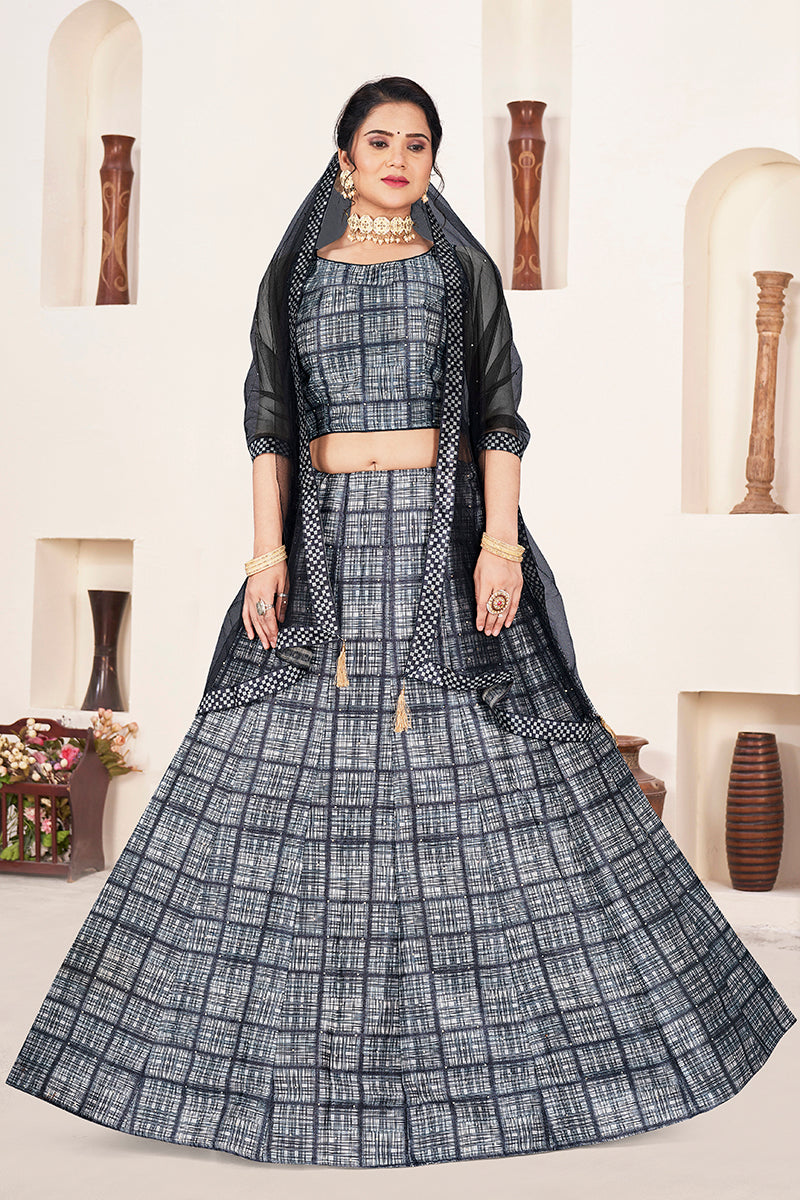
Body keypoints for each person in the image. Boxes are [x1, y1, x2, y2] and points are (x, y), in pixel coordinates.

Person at [6, 76, 796, 1170]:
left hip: (438, 538)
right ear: (343, 157)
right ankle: (245, 1067)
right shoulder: (297, 273)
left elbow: (501, 414)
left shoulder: (456, 268)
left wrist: (499, 544)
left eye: (416, 144)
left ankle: (546, 1050)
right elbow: (268, 421)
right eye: (378, 141)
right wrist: (268, 555)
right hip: (327, 542)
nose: (396, 158)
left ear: (433, 161)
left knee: (491, 780)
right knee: (271, 775)